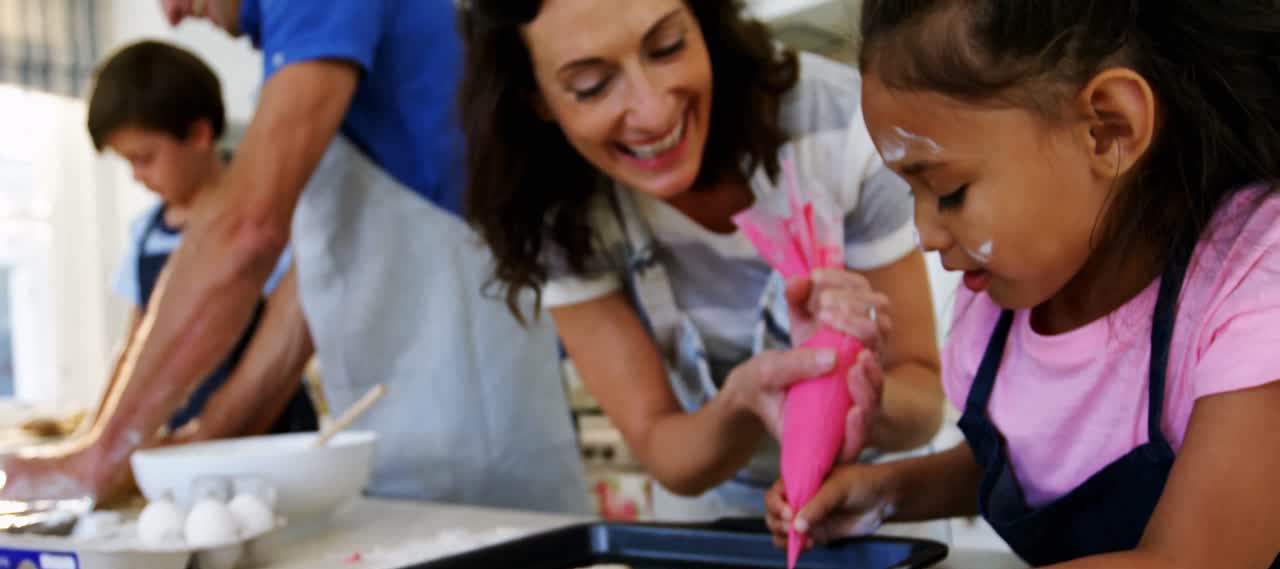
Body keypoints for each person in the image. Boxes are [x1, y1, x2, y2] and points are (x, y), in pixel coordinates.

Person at [672, 2, 1280, 569]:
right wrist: (888, 491)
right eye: (911, 193)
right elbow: (1047, 454)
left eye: (949, 190)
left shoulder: (1253, 282)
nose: (926, 232)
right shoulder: (1006, 299)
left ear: (1108, 126)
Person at [0, 0, 587, 514]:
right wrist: (206, 439)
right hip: (411, 452)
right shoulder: (307, 61)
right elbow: (306, 300)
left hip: (478, 440)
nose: (171, 14)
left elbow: (245, 231)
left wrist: (100, 454)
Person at [459, 0, 945, 520]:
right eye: (592, 85)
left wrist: (849, 382)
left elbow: (923, 401)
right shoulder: (555, 208)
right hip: (718, 510)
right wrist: (744, 400)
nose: (653, 111)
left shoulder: (837, 125)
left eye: (667, 47)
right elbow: (661, 443)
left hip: (881, 500)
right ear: (535, 98)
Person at [86, 40, 317, 444]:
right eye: (128, 163)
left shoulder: (265, 226)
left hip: (273, 433)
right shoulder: (146, 234)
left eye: (145, 157)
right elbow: (133, 350)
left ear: (198, 134)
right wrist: (98, 438)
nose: (137, 176)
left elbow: (290, 334)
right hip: (186, 439)